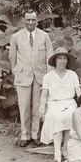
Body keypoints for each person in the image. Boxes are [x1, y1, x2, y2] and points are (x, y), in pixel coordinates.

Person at [9, 9, 54, 147]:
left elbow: (50, 56)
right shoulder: (16, 37)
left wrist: (48, 76)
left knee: (37, 107)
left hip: (40, 77)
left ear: (37, 20)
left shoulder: (44, 36)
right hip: (23, 76)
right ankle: (25, 135)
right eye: (28, 19)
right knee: (24, 107)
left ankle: (35, 135)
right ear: (23, 20)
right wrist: (17, 73)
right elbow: (12, 58)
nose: (30, 22)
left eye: (33, 19)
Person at [38, 47, 81, 162]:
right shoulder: (48, 76)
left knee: (71, 116)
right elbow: (44, 94)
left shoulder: (72, 75)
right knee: (56, 117)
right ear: (55, 61)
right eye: (60, 58)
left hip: (69, 102)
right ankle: (57, 152)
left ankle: (65, 149)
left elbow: (78, 92)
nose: (62, 61)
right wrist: (42, 106)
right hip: (54, 103)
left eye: (64, 58)